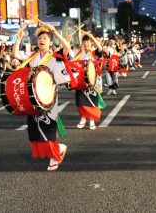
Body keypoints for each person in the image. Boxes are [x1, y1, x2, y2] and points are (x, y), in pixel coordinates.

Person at [12, 24, 70, 171]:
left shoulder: (55, 56)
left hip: (49, 97)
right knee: (34, 129)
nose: (41, 40)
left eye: (45, 38)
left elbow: (67, 47)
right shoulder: (32, 57)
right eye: (39, 38)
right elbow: (15, 55)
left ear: (50, 43)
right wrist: (18, 39)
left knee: (48, 128)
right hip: (33, 98)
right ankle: (58, 149)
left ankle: (54, 157)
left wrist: (55, 32)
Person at [70, 31, 103, 130]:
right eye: (84, 41)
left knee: (92, 101)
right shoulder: (78, 53)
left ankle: (92, 120)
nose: (86, 43)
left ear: (91, 42)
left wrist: (92, 37)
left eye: (88, 41)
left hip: (92, 81)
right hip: (80, 81)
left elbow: (100, 48)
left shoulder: (94, 52)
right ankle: (83, 118)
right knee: (80, 101)